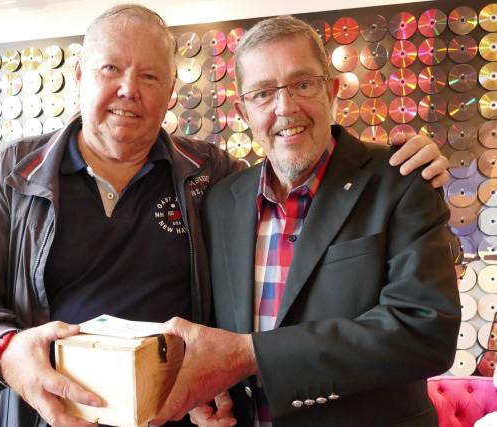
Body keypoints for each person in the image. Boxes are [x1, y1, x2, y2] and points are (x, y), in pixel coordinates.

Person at [0, 5, 450, 427]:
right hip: (44, 417)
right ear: (81, 74)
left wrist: (408, 161)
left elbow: (305, 191)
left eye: (150, 75)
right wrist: (5, 351)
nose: (129, 89)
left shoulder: (210, 177)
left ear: (171, 92)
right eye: (111, 68)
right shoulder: (11, 174)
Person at [152, 15, 461, 427]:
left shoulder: (402, 179)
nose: (285, 108)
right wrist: (210, 395)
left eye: (302, 84)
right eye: (263, 93)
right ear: (243, 111)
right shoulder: (222, 201)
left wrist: (252, 354)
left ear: (332, 91)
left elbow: (426, 333)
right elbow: (214, 327)